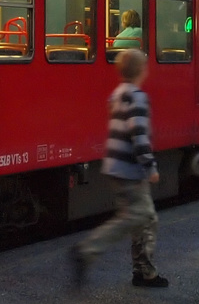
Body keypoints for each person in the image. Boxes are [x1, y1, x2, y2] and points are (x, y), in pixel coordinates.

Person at [70, 49, 168, 288]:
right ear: (142, 71)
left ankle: (144, 272)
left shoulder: (117, 94)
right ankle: (87, 250)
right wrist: (151, 167)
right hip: (130, 169)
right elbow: (139, 136)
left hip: (114, 165)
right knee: (140, 216)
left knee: (143, 218)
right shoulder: (137, 97)